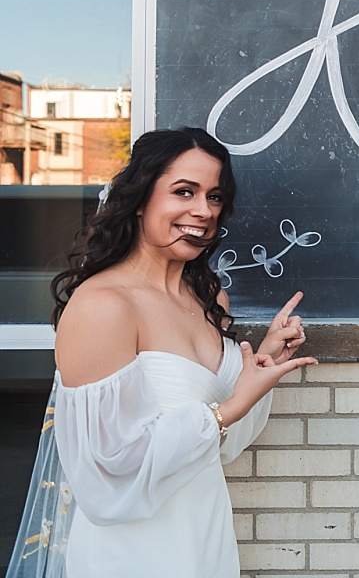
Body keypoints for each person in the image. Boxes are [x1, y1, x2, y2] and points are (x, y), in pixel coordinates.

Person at [10, 127, 316, 578]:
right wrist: (226, 410)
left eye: (214, 197)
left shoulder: (211, 300)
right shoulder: (104, 305)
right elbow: (104, 480)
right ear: (139, 198)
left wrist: (263, 358)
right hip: (131, 550)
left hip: (203, 530)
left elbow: (222, 445)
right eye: (184, 191)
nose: (203, 211)